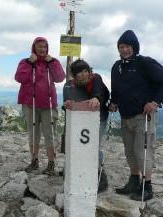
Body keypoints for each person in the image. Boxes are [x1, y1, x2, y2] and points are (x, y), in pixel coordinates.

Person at [109, 30, 163, 201]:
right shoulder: (117, 67)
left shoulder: (144, 63)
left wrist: (156, 102)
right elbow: (116, 89)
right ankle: (134, 181)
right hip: (125, 116)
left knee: (142, 152)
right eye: (121, 46)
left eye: (127, 46)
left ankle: (147, 186)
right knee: (129, 151)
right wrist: (113, 102)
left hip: (143, 117)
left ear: (134, 47)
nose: (124, 50)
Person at [15, 37, 65, 175]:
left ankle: (51, 163)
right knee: (33, 134)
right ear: (34, 48)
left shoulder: (52, 62)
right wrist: (29, 63)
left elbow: (60, 77)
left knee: (50, 135)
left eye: (45, 47)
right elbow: (19, 78)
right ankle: (34, 160)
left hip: (48, 104)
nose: (42, 49)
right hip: (30, 104)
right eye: (39, 47)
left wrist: (53, 62)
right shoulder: (25, 62)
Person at [63, 59, 109, 192]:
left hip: (98, 119)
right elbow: (68, 102)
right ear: (74, 75)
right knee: (79, 147)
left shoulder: (96, 79)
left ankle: (100, 175)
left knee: (94, 147)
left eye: (85, 71)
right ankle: (77, 171)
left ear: (89, 71)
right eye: (79, 72)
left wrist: (96, 98)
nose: (83, 74)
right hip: (80, 121)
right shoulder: (69, 85)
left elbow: (98, 93)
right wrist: (68, 104)